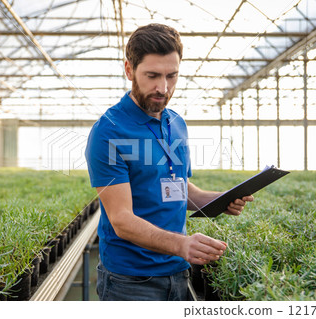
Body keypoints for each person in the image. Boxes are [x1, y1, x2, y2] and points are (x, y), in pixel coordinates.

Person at [85, 23, 253, 301]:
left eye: (171, 76)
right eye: (152, 76)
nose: (163, 88)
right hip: (131, 282)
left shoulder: (176, 123)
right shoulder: (109, 131)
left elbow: (180, 187)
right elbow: (121, 220)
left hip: (178, 273)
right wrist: (182, 244)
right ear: (129, 70)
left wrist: (222, 199)